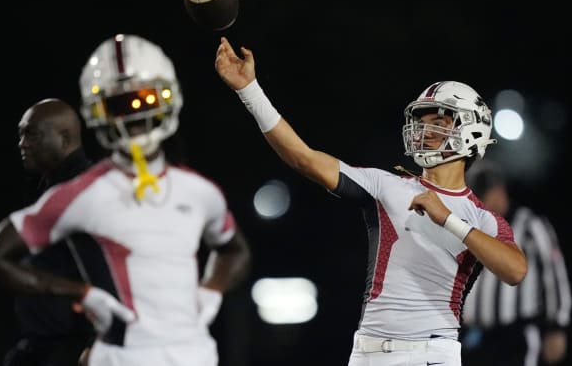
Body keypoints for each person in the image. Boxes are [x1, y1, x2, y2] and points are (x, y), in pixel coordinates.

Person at [213, 36, 527, 366]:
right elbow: (305, 159)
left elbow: (516, 270)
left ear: (471, 131)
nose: (423, 130)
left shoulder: (481, 217)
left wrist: (449, 219)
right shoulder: (386, 185)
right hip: (369, 352)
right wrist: (249, 91)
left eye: (438, 122)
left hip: (432, 355)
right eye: (421, 122)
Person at [0, 33, 252, 366]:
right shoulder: (82, 193)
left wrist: (212, 289)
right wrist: (81, 294)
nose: (134, 115)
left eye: (145, 99)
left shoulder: (198, 189)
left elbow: (235, 250)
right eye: (120, 104)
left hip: (194, 355)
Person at [5, 98, 96, 366]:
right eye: (21, 134)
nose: (22, 143)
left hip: (77, 347)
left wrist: (96, 343)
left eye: (31, 134)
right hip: (46, 346)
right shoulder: (47, 188)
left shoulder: (88, 190)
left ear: (64, 137)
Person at [460, 159, 572, 366]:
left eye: (485, 195)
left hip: (514, 336)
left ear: (500, 190)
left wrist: (556, 327)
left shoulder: (530, 226)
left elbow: (554, 275)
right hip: (473, 336)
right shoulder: (469, 227)